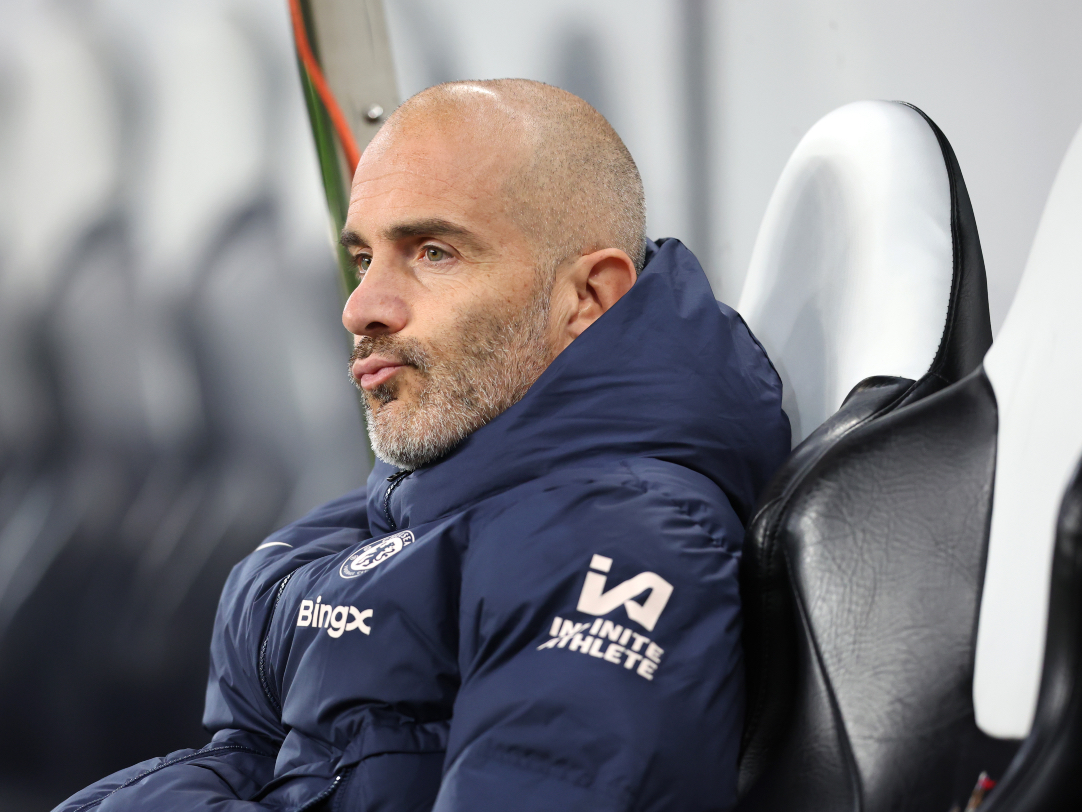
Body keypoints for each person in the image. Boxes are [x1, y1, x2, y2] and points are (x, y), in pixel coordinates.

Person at [55, 79, 790, 812]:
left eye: (433, 252)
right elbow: (248, 756)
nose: (361, 305)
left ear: (587, 299)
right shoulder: (410, 508)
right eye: (363, 258)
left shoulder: (617, 541)